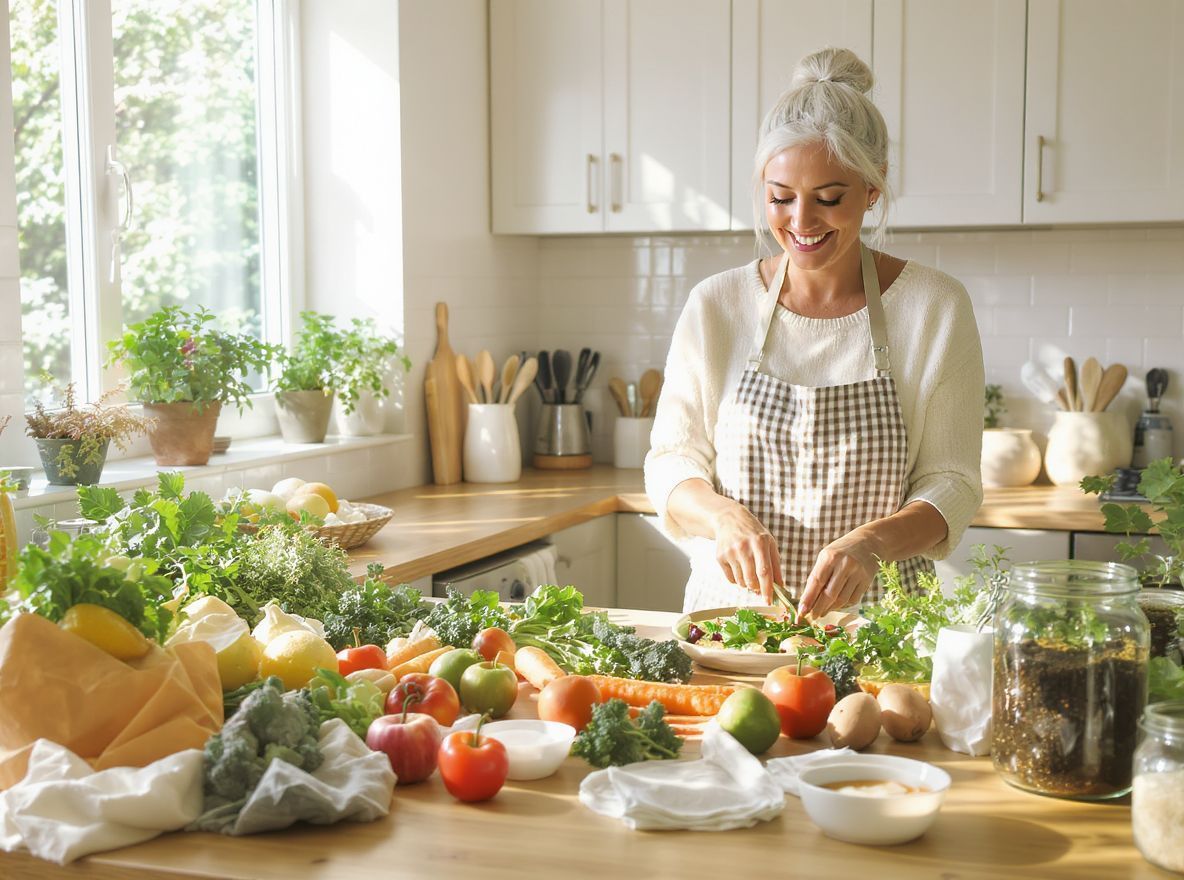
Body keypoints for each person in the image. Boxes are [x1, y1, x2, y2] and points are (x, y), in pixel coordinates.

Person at [644, 47, 984, 618]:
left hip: (881, 629)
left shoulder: (934, 307)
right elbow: (671, 462)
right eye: (780, 198)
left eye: (828, 198)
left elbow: (953, 482)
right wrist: (724, 518)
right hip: (733, 625)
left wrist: (873, 543)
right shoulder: (717, 306)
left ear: (873, 188)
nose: (801, 222)